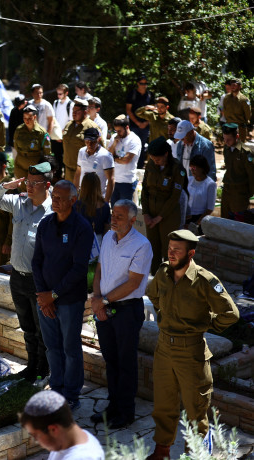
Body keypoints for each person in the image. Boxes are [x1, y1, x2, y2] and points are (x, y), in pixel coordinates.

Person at [145, 230, 240, 460]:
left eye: (177, 250)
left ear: (191, 253)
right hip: (164, 349)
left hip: (191, 353)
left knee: (196, 411)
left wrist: (206, 324)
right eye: (170, 248)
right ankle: (162, 451)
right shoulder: (163, 272)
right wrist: (165, 317)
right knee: (164, 405)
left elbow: (231, 313)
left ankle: (197, 455)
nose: (171, 253)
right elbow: (153, 295)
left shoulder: (204, 280)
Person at [0, 162, 54, 382]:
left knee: (41, 328)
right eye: (28, 181)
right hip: (17, 276)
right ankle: (31, 365)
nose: (31, 186)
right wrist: (8, 184)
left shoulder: (53, 211)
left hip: (40, 280)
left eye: (36, 183)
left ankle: (44, 369)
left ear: (47, 185)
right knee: (27, 326)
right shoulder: (19, 203)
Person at [89, 200, 152, 429]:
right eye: (113, 214)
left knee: (126, 363)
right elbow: (99, 269)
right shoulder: (107, 237)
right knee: (111, 361)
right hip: (104, 307)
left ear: (133, 221)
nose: (113, 219)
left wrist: (103, 301)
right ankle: (112, 406)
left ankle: (126, 413)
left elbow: (133, 283)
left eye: (120, 216)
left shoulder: (141, 245)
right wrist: (97, 300)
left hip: (126, 310)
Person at [32, 181, 93, 410]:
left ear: (72, 200)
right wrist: (42, 295)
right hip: (45, 299)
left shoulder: (82, 228)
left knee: (70, 348)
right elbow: (36, 261)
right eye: (53, 196)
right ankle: (56, 389)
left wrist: (53, 295)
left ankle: (71, 395)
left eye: (60, 197)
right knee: (52, 347)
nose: (54, 200)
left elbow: (79, 269)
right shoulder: (46, 223)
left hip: (68, 301)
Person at [141, 137, 188, 274]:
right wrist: (145, 213)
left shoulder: (177, 168)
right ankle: (155, 278)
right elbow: (145, 190)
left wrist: (159, 217)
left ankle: (170, 279)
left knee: (168, 250)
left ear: (166, 154)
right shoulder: (150, 165)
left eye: (158, 158)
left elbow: (175, 197)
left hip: (168, 215)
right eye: (153, 158)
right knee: (153, 248)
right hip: (151, 213)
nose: (155, 161)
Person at [19, 390, 104, 460]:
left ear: (53, 429)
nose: (38, 442)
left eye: (36, 435)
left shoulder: (81, 457)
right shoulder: (65, 440)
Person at [220, 123, 254, 219]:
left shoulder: (245, 152)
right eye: (224, 138)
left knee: (238, 222)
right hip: (227, 189)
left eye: (229, 139)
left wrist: (249, 193)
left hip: (240, 192)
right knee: (224, 219)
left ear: (237, 136)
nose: (226, 142)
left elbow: (252, 175)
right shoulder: (226, 149)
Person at [62, 99, 100, 182]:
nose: (73, 113)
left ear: (85, 112)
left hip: (83, 171)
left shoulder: (91, 127)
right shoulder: (69, 125)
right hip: (68, 169)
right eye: (73, 110)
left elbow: (99, 150)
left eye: (77, 111)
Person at [107, 115, 141, 205]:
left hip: (127, 182)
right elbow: (107, 156)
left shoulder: (134, 140)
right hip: (114, 180)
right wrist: (114, 144)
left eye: (120, 131)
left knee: (125, 212)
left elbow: (126, 160)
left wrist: (114, 158)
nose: (118, 133)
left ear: (127, 127)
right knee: (114, 210)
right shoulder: (115, 137)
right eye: (116, 130)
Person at [73, 128, 114, 203]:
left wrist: (106, 201)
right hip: (82, 196)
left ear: (98, 139)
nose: (89, 144)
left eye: (93, 141)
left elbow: (111, 180)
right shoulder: (81, 151)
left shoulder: (106, 156)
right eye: (87, 141)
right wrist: (74, 195)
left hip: (98, 198)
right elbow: (78, 173)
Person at [12, 105, 51, 180]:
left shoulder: (42, 132)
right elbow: (16, 146)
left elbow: (47, 153)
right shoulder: (19, 130)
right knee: (22, 187)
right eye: (25, 118)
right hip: (20, 165)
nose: (27, 121)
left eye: (30, 118)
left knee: (33, 188)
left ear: (35, 117)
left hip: (36, 167)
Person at [125, 75, 155, 169]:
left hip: (146, 126)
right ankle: (131, 165)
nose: (144, 85)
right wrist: (138, 123)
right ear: (138, 83)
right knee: (132, 145)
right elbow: (128, 110)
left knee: (142, 147)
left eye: (145, 83)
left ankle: (140, 166)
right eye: (142, 83)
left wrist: (146, 123)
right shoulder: (132, 94)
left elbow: (153, 111)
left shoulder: (150, 95)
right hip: (134, 125)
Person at [75, 173, 110, 241]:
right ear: (98, 186)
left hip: (81, 240)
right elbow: (107, 228)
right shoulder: (105, 206)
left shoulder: (77, 205)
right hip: (99, 242)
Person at [186, 155, 216, 228]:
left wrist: (196, 223)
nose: (192, 170)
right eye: (190, 168)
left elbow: (210, 209)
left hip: (199, 219)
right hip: (186, 217)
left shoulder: (210, 184)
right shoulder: (189, 180)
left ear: (202, 168)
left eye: (194, 168)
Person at [52, 85, 75, 180]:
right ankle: (57, 176)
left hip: (65, 135)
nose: (58, 95)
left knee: (65, 156)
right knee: (57, 156)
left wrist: (62, 134)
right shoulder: (56, 103)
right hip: (56, 134)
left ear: (66, 93)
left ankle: (66, 176)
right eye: (57, 93)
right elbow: (53, 118)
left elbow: (70, 121)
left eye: (60, 94)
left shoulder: (70, 104)